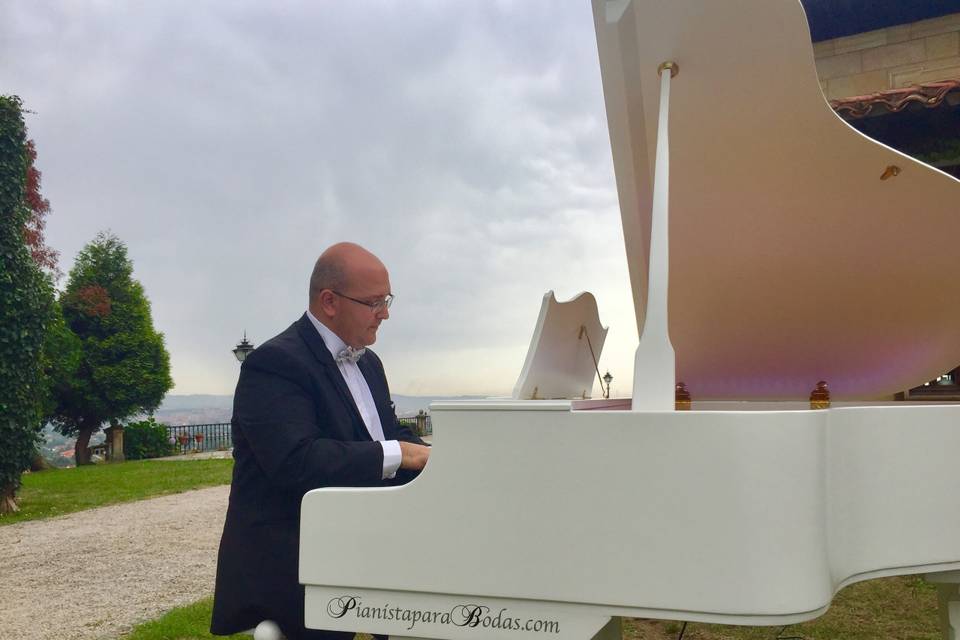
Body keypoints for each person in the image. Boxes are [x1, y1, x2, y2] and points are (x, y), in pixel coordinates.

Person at [210, 242, 431, 640]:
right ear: (329, 301)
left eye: (387, 300)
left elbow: (386, 433)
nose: (385, 313)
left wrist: (439, 457)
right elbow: (297, 460)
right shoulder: (274, 364)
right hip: (295, 560)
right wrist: (402, 454)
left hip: (361, 543)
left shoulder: (369, 362)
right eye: (374, 302)